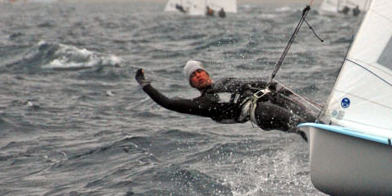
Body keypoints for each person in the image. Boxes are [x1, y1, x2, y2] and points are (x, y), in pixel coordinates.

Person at [134, 59, 318, 134]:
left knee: (308, 116)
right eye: (193, 76)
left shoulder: (224, 82)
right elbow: (167, 103)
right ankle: (315, 137)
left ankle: (323, 125)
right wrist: (145, 85)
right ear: (192, 84)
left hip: (269, 98)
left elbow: (254, 84)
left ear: (206, 72)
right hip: (258, 112)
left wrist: (276, 87)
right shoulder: (203, 103)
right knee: (299, 124)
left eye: (199, 71)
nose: (197, 75)